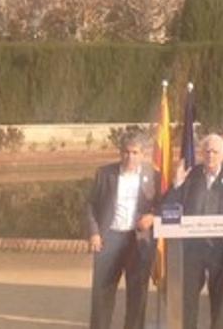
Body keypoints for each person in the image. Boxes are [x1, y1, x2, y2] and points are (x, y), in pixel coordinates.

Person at [165, 133, 223, 329]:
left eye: (215, 152)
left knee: (220, 304)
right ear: (201, 153)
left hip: (222, 250)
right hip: (193, 250)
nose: (210, 155)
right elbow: (168, 204)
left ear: (222, 154)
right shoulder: (191, 174)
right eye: (206, 151)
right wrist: (176, 184)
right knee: (188, 300)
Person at [84, 129, 161, 329]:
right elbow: (91, 205)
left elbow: (164, 204)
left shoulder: (153, 175)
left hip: (138, 243)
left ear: (143, 154)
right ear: (120, 153)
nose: (130, 157)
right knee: (102, 293)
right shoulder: (105, 173)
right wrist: (94, 232)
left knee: (137, 293)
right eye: (126, 152)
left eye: (135, 152)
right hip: (109, 240)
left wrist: (153, 217)